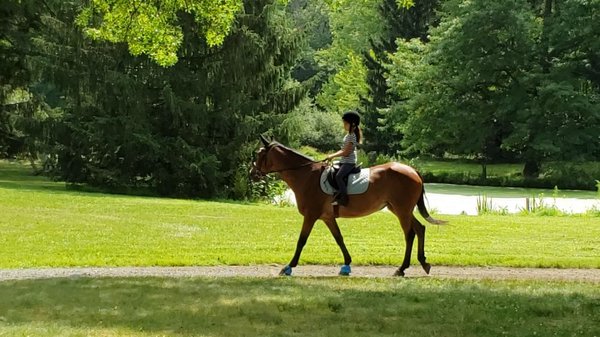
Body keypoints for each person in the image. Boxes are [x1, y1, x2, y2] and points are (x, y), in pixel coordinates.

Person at [324, 110, 362, 206]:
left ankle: (344, 199)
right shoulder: (348, 135)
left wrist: (332, 156)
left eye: (345, 123)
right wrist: (332, 157)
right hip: (344, 161)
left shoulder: (352, 136)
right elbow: (343, 150)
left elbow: (346, 152)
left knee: (339, 176)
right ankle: (336, 192)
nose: (344, 125)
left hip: (349, 162)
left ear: (352, 124)